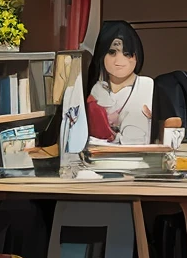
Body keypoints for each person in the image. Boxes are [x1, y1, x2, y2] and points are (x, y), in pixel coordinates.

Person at [58, 20, 172, 157]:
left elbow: (170, 128)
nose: (119, 60)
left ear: (137, 55)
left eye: (127, 53)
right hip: (97, 165)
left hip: (142, 165)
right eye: (112, 52)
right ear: (102, 55)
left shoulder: (151, 88)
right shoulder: (93, 91)